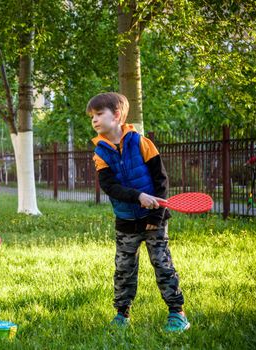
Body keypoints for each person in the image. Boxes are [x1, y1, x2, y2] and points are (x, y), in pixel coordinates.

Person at [86, 92, 189, 332]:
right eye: (92, 116)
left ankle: (177, 313)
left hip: (154, 219)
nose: (94, 120)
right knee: (124, 268)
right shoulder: (100, 152)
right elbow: (109, 186)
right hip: (126, 221)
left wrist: (156, 216)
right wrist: (138, 196)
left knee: (162, 264)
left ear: (118, 115)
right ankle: (122, 314)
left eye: (100, 114)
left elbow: (161, 180)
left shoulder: (141, 142)